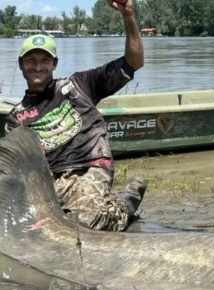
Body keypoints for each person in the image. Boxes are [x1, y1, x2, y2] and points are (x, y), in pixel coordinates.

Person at [5, 0, 145, 232]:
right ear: (21, 65)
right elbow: (22, 170)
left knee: (86, 223)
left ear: (54, 64)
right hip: (50, 182)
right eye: (31, 61)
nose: (37, 66)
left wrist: (128, 17)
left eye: (44, 60)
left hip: (89, 166)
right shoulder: (15, 119)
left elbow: (134, 62)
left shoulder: (80, 84)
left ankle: (126, 203)